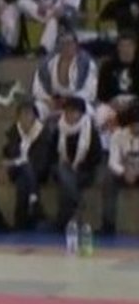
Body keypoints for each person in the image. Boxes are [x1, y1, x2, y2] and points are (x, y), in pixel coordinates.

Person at [3, 99, 53, 231]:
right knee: (24, 173)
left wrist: (20, 161)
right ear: (18, 117)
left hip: (38, 170)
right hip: (17, 170)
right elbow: (12, 152)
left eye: (29, 114)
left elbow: (42, 159)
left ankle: (20, 222)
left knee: (22, 183)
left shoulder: (43, 132)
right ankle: (35, 202)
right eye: (22, 114)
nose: (26, 118)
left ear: (34, 116)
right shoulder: (14, 131)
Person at [54, 96, 102, 229]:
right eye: (68, 111)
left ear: (81, 113)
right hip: (63, 168)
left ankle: (62, 221)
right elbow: (52, 152)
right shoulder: (60, 127)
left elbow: (96, 157)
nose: (70, 115)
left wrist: (78, 165)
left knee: (66, 185)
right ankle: (78, 203)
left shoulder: (90, 130)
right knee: (63, 171)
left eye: (74, 111)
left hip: (85, 171)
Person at [31, 30, 97, 122]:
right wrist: (48, 100)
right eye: (63, 43)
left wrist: (69, 101)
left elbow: (90, 91)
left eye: (70, 43)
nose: (66, 47)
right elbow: (38, 87)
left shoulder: (87, 63)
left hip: (76, 102)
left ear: (76, 45)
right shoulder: (47, 63)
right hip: (53, 102)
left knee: (88, 110)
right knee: (35, 110)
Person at [101, 103, 139, 236]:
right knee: (108, 178)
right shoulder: (118, 136)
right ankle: (108, 224)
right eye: (134, 124)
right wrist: (124, 172)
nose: (136, 127)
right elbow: (112, 161)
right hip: (123, 173)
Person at [96, 31, 139, 129]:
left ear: (135, 46)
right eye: (122, 45)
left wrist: (132, 104)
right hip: (113, 102)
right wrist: (112, 103)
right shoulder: (107, 66)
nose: (126, 49)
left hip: (135, 103)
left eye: (129, 45)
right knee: (100, 115)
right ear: (118, 47)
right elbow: (101, 93)